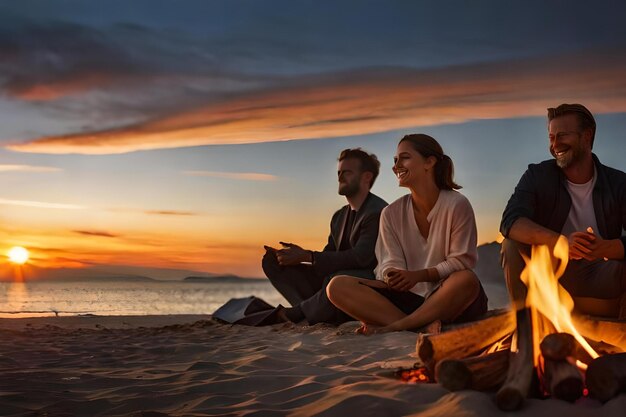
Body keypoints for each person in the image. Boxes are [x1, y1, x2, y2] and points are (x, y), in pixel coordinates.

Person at [326, 134, 488, 333]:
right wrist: (392, 277)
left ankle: (396, 327)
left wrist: (418, 275)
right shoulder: (390, 213)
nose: (396, 166)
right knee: (337, 286)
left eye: (404, 158)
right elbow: (389, 262)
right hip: (409, 302)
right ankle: (420, 325)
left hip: (450, 301)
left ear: (429, 162)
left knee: (466, 279)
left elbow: (461, 261)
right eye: (395, 160)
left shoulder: (456, 204)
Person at [500, 103, 626, 318]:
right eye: (551, 137)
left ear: (586, 136)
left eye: (562, 136)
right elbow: (510, 221)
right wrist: (561, 242)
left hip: (602, 276)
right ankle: (527, 331)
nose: (555, 144)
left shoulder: (619, 183)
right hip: (550, 276)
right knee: (511, 245)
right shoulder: (537, 175)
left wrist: (604, 248)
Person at [262, 148, 388, 325]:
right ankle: (313, 309)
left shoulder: (378, 211)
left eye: (347, 172)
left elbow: (362, 258)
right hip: (333, 281)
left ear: (366, 177)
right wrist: (297, 258)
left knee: (338, 277)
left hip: (362, 283)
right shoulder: (339, 216)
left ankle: (301, 312)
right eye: (339, 172)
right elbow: (328, 256)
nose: (340, 177)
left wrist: (309, 256)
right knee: (272, 262)